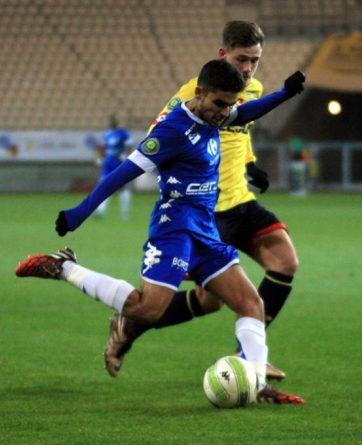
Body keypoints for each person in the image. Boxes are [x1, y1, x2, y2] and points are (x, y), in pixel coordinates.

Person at [15, 59, 306, 405]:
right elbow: (122, 173)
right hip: (174, 228)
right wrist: (79, 212)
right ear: (200, 94)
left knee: (250, 303)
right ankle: (63, 267)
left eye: (231, 104)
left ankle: (256, 384)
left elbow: (245, 113)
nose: (226, 112)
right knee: (148, 309)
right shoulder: (171, 131)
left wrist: (286, 93)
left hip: (205, 230)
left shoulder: (218, 112)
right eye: (220, 104)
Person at [126, 21, 300, 381]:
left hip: (241, 200)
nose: (249, 68)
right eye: (242, 59)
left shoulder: (252, 89)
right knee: (210, 301)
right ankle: (129, 326)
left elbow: (240, 130)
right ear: (223, 54)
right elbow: (157, 137)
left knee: (285, 262)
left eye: (255, 60)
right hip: (206, 211)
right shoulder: (195, 92)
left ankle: (250, 356)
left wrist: (251, 165)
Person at [94, 115, 133, 220]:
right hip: (108, 164)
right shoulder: (107, 133)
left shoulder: (124, 133)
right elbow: (103, 148)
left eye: (115, 120)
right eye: (111, 121)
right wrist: (100, 159)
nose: (113, 122)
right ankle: (100, 212)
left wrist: (124, 155)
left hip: (119, 164)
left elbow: (130, 147)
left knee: (122, 188)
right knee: (104, 187)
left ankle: (125, 214)